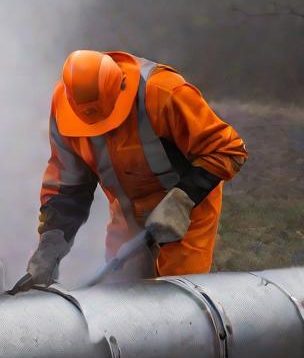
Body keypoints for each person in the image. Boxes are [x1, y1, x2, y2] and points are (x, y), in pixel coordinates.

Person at [24, 49, 247, 286]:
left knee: (178, 298)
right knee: (118, 291)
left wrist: (182, 200)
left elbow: (229, 150)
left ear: (120, 89)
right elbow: (68, 187)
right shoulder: (63, 108)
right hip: (128, 211)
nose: (99, 134)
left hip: (186, 211)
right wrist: (52, 240)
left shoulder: (162, 92)